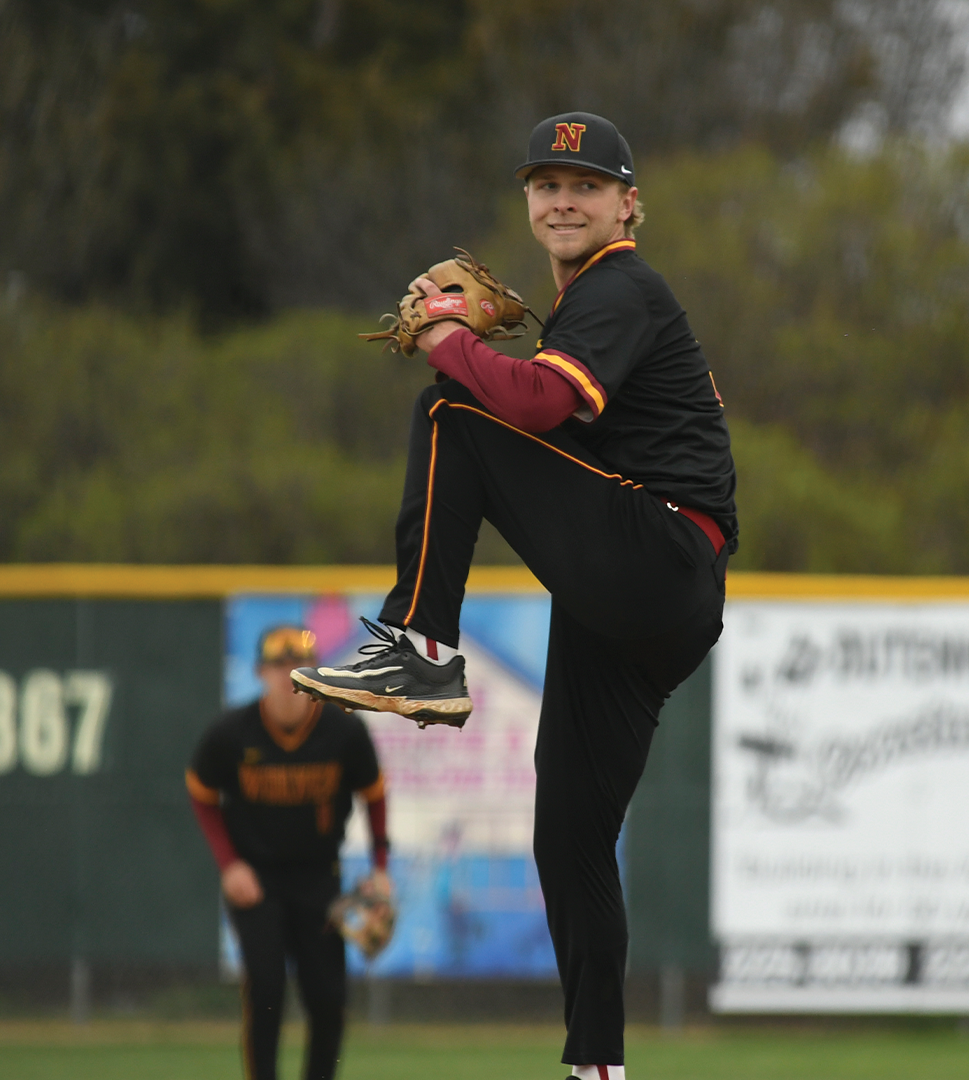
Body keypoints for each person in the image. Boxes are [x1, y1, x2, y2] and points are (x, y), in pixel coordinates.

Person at [292, 111, 735, 1080]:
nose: (563, 199)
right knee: (570, 837)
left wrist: (452, 337)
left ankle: (421, 645)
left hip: (655, 552)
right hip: (643, 601)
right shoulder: (586, 306)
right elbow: (556, 424)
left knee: (451, 405)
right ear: (529, 206)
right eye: (545, 185)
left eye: (585, 184)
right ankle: (598, 1069)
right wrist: (489, 349)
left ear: (630, 204)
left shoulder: (622, 284)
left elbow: (533, 407)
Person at [187, 626, 392, 1080]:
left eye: (300, 665)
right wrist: (229, 864)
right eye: (279, 666)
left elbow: (374, 793)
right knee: (266, 988)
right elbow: (201, 792)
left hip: (319, 876)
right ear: (260, 672)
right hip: (257, 879)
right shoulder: (233, 732)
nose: (289, 675)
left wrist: (380, 868)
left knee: (328, 998)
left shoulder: (343, 730)